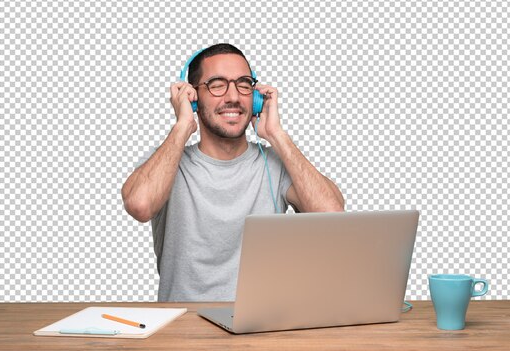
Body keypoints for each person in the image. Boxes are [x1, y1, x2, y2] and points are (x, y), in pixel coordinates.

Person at [121, 43, 345, 301]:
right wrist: (183, 125)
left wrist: (277, 135)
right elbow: (139, 205)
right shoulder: (167, 161)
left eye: (244, 84)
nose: (234, 97)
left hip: (260, 328)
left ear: (257, 97)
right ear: (192, 97)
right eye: (217, 84)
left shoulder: (274, 163)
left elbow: (334, 217)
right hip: (184, 330)